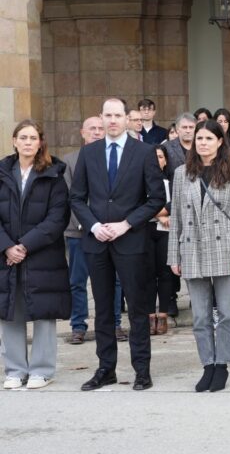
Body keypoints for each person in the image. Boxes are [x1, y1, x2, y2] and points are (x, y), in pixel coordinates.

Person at [70, 97, 166, 392]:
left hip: (131, 240)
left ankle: (141, 370)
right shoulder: (90, 153)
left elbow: (156, 199)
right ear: (101, 117)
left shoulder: (145, 152)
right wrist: (95, 225)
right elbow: (76, 197)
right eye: (107, 115)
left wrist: (127, 223)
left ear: (127, 119)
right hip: (96, 241)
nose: (112, 121)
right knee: (102, 309)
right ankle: (105, 369)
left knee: (137, 308)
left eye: (117, 115)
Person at [167, 121, 230, 392]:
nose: (202, 142)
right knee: (200, 316)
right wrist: (173, 256)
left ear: (220, 141)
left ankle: (222, 364)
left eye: (208, 138)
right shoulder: (182, 173)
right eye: (199, 138)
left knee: (226, 313)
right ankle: (207, 365)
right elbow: (176, 217)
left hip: (224, 248)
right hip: (192, 248)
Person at [0, 120, 70, 390]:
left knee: (43, 314)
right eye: (23, 137)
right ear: (14, 141)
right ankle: (15, 370)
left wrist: (24, 246)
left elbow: (57, 218)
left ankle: (42, 369)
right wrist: (7, 246)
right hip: (7, 256)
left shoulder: (54, 175)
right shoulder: (3, 173)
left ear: (41, 142)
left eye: (33, 138)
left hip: (42, 255)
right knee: (10, 313)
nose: (28, 142)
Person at [63, 116, 107, 345]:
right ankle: (78, 325)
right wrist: (88, 223)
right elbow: (70, 197)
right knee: (77, 281)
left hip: (109, 231)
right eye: (92, 129)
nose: (97, 132)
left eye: (101, 128)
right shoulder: (69, 161)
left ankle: (113, 323)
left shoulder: (112, 156)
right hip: (78, 231)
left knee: (113, 281)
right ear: (83, 132)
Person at [147, 146, 174, 336]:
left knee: (165, 273)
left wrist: (161, 214)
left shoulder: (172, 180)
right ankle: (150, 316)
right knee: (147, 274)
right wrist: (158, 216)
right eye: (154, 157)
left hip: (166, 230)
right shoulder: (141, 178)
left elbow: (175, 202)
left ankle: (163, 315)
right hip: (145, 229)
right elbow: (139, 203)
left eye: (161, 157)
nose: (158, 160)